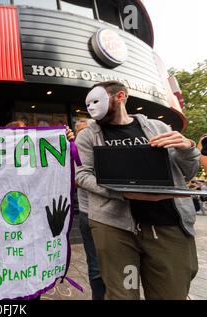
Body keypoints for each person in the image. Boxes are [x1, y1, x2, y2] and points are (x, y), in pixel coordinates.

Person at [76, 80, 200, 300]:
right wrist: (121, 193)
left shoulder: (159, 128)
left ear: (120, 96)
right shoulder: (88, 135)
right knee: (121, 294)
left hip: (167, 223)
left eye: (97, 100)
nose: (92, 108)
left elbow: (187, 173)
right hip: (114, 226)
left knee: (171, 293)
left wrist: (188, 150)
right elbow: (83, 175)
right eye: (88, 104)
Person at [75, 119, 106, 300]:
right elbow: (75, 180)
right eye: (79, 131)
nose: (83, 134)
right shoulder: (76, 151)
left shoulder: (103, 145)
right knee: (95, 266)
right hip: (89, 213)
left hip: (116, 214)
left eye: (87, 130)